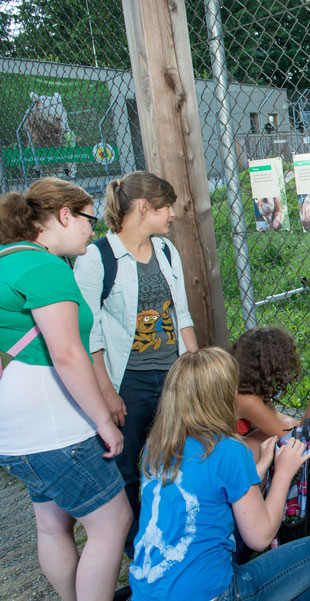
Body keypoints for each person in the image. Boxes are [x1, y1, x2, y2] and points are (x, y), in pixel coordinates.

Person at [129, 347, 310, 601]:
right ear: (221, 397)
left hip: (146, 592)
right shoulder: (228, 449)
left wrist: (258, 471)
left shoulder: (156, 446)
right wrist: (283, 473)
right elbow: (260, 537)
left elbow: (213, 494)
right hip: (215, 595)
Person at [0, 178, 132, 601]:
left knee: (52, 524)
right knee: (112, 522)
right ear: (64, 215)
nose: (92, 231)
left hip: (15, 431)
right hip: (54, 427)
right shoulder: (45, 267)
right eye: (89, 220)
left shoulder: (6, 261)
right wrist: (102, 421)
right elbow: (68, 354)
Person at [73, 171, 198, 557]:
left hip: (173, 375)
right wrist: (106, 393)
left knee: (178, 458)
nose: (172, 215)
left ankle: (176, 533)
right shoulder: (98, 258)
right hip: (129, 380)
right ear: (144, 208)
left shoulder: (165, 251)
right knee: (129, 468)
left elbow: (182, 315)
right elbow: (88, 332)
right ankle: (135, 548)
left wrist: (195, 368)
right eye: (166, 207)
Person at [232, 327, 310, 461]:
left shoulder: (248, 386)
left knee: (288, 425)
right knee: (280, 445)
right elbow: (294, 439)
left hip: (218, 450)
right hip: (211, 459)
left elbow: (287, 424)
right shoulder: (247, 399)